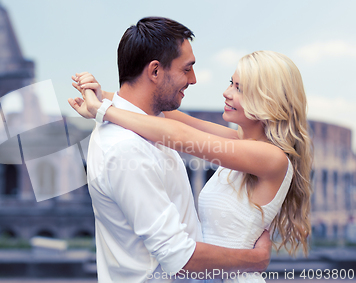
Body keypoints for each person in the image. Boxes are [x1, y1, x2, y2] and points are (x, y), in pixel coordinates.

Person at [70, 48, 312, 283]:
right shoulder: (240, 143)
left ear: (268, 99)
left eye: (240, 88)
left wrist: (103, 110)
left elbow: (179, 135)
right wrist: (101, 95)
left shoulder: (271, 157)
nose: (227, 93)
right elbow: (171, 117)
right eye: (231, 82)